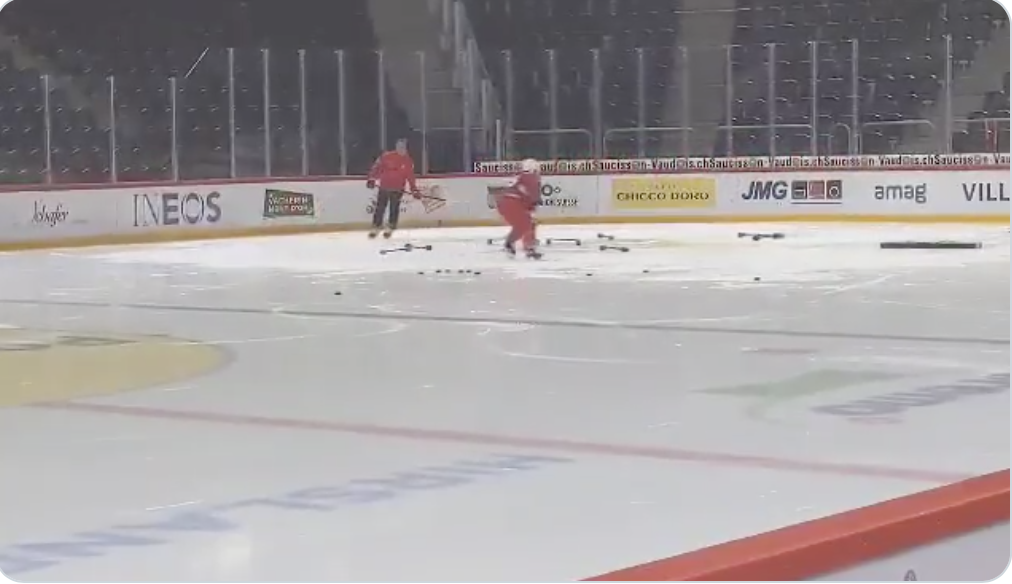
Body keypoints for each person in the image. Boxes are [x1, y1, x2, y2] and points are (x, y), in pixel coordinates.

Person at [366, 138, 419, 238]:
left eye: (403, 147)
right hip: (384, 187)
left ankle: (391, 226)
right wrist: (372, 178)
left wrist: (414, 190)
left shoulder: (408, 161)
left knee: (394, 208)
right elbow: (377, 168)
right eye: (399, 147)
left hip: (397, 189)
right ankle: (376, 226)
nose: (401, 149)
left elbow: (410, 177)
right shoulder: (386, 156)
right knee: (380, 207)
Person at [494, 158, 543, 259]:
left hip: (503, 202)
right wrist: (535, 203)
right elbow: (533, 195)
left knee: (522, 225)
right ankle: (526, 247)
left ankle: (513, 244)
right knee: (527, 223)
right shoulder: (531, 177)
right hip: (513, 202)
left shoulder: (520, 176)